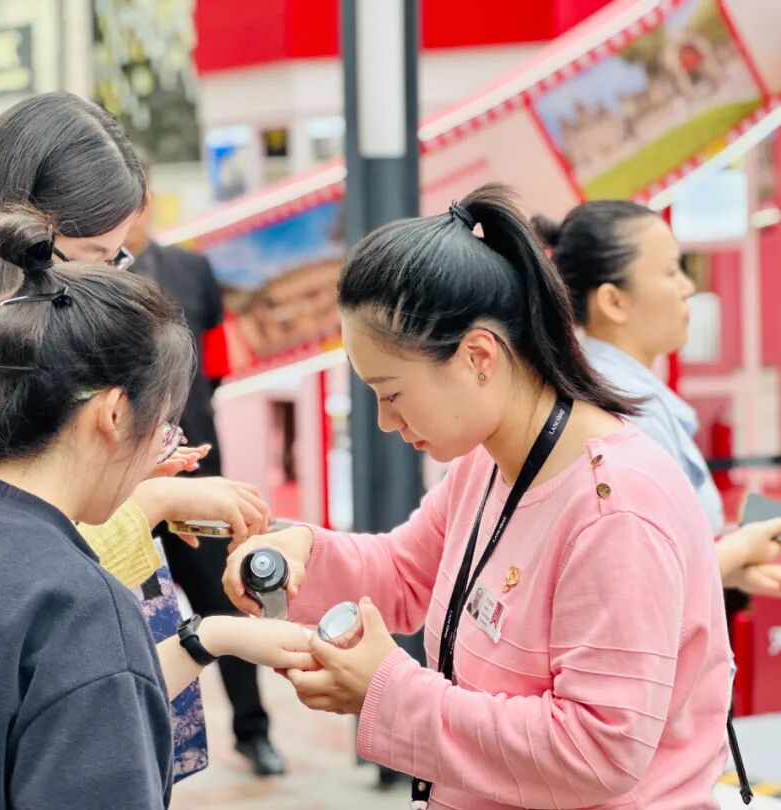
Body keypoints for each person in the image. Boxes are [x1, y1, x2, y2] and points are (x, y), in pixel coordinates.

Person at [225, 185, 734, 809]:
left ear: (478, 356)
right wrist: (302, 552)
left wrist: (390, 691)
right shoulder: (489, 462)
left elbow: (599, 750)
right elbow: (406, 574)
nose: (385, 421)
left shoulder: (615, 507)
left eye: (392, 392)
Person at [0, 210, 313, 809]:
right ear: (113, 415)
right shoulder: (79, 602)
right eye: (164, 431)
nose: (161, 454)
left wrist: (205, 638)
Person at [126, 156, 283, 775]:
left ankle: (253, 730)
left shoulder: (191, 270)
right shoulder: (86, 278)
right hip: (121, 481)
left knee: (224, 594)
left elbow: (215, 363)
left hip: (193, 469)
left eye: (139, 196)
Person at [536, 200, 781, 595]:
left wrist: (729, 567)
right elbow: (643, 577)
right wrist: (739, 550)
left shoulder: (602, 385)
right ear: (613, 301)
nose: (688, 287)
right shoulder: (626, 409)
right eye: (670, 271)